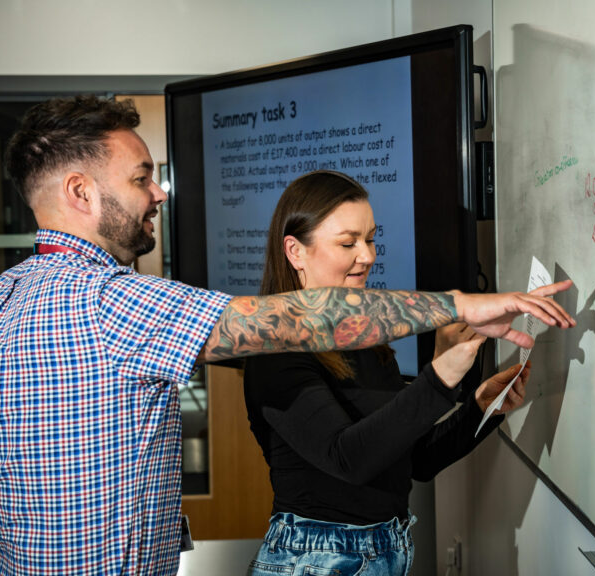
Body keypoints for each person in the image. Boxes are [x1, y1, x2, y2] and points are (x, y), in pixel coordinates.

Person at [0, 95, 574, 575]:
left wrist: (473, 401)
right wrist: (463, 305)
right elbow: (302, 325)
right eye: (143, 177)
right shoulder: (101, 299)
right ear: (80, 191)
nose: (160, 191)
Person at [243, 171, 573, 575]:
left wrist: (481, 408)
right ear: (295, 252)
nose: (366, 256)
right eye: (348, 243)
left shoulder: (367, 338)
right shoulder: (273, 350)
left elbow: (416, 460)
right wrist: (437, 380)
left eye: (370, 238)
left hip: (385, 552)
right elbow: (350, 459)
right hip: (314, 561)